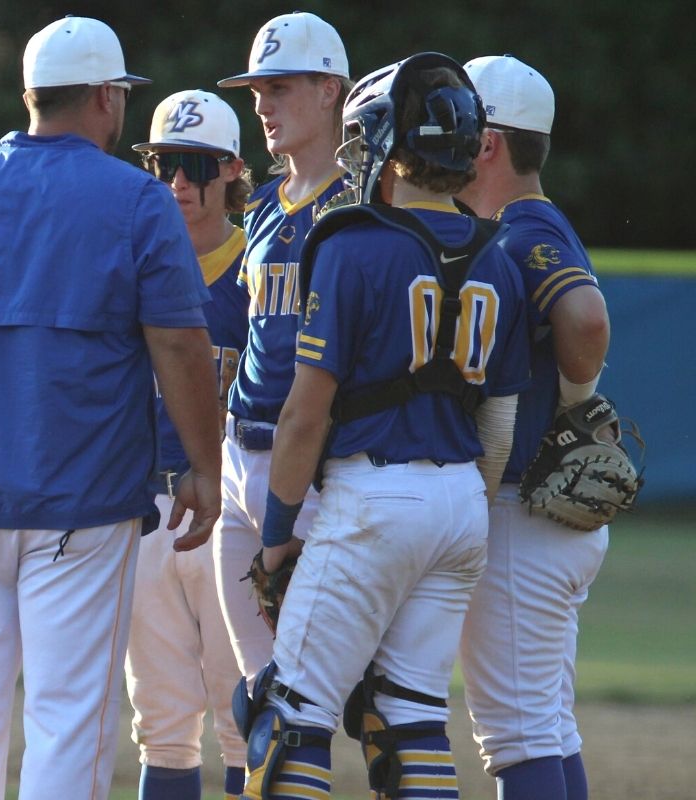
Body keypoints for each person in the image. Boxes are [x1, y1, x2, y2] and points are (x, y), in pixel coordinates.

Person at [0, 16, 224, 800]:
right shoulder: (136, 199)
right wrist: (203, 464)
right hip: (82, 507)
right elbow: (182, 347)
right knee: (68, 717)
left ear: (30, 96)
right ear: (102, 96)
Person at [246, 53, 531, 799]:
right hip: (462, 501)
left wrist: (277, 542)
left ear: (387, 140)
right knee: (411, 718)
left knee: (289, 718)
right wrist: (461, 507)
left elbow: (304, 415)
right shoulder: (500, 252)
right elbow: (498, 426)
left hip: (374, 498)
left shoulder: (350, 242)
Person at [456, 55, 611, 800]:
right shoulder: (517, 225)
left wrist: (579, 404)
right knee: (546, 727)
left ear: (487, 143)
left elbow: (585, 315)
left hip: (523, 509)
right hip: (545, 517)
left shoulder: (518, 230)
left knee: (518, 735)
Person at [212, 11, 352, 684]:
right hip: (239, 456)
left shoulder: (362, 202)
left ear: (331, 90)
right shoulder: (265, 204)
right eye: (257, 91)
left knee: (320, 693)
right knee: (257, 690)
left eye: (281, 87)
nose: (262, 105)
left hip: (315, 468)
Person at [126, 89, 252, 800]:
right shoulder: (132, 261)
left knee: (242, 712)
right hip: (146, 501)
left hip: (233, 502)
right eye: (163, 162)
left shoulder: (261, 260)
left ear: (233, 168)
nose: (177, 182)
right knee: (163, 720)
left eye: (196, 165)